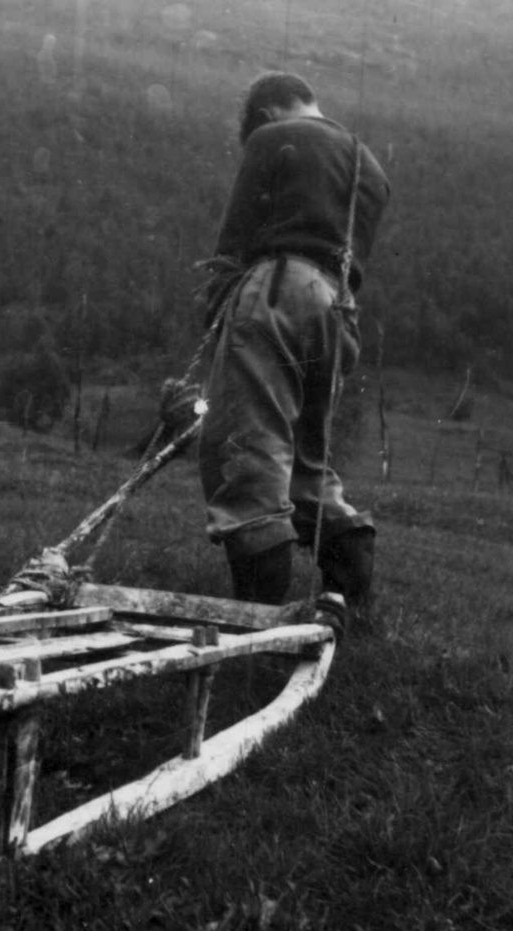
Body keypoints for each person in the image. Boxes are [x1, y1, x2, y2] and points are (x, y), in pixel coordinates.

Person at [196, 71, 390, 628]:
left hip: (276, 288)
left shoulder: (269, 139)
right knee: (309, 453)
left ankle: (257, 613)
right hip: (338, 309)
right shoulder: (371, 167)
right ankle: (348, 583)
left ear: (265, 113)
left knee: (247, 441)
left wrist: (216, 313)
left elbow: (234, 240)